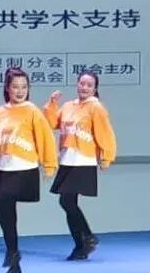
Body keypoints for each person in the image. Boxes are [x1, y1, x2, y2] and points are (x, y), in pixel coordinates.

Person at [0, 67, 57, 273]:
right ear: (7, 88)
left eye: (24, 87)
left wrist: (49, 165)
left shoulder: (32, 110)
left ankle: (12, 252)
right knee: (5, 209)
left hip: (24, 167)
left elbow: (45, 138)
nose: (20, 91)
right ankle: (13, 257)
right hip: (3, 167)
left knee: (0, 202)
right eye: (15, 87)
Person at [43, 70, 117, 260]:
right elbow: (52, 123)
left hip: (83, 159)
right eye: (82, 83)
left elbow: (105, 133)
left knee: (66, 201)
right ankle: (81, 246)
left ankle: (88, 237)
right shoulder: (69, 106)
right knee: (68, 202)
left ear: (95, 88)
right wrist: (52, 104)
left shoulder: (96, 107)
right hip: (67, 159)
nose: (84, 87)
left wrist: (107, 156)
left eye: (89, 85)